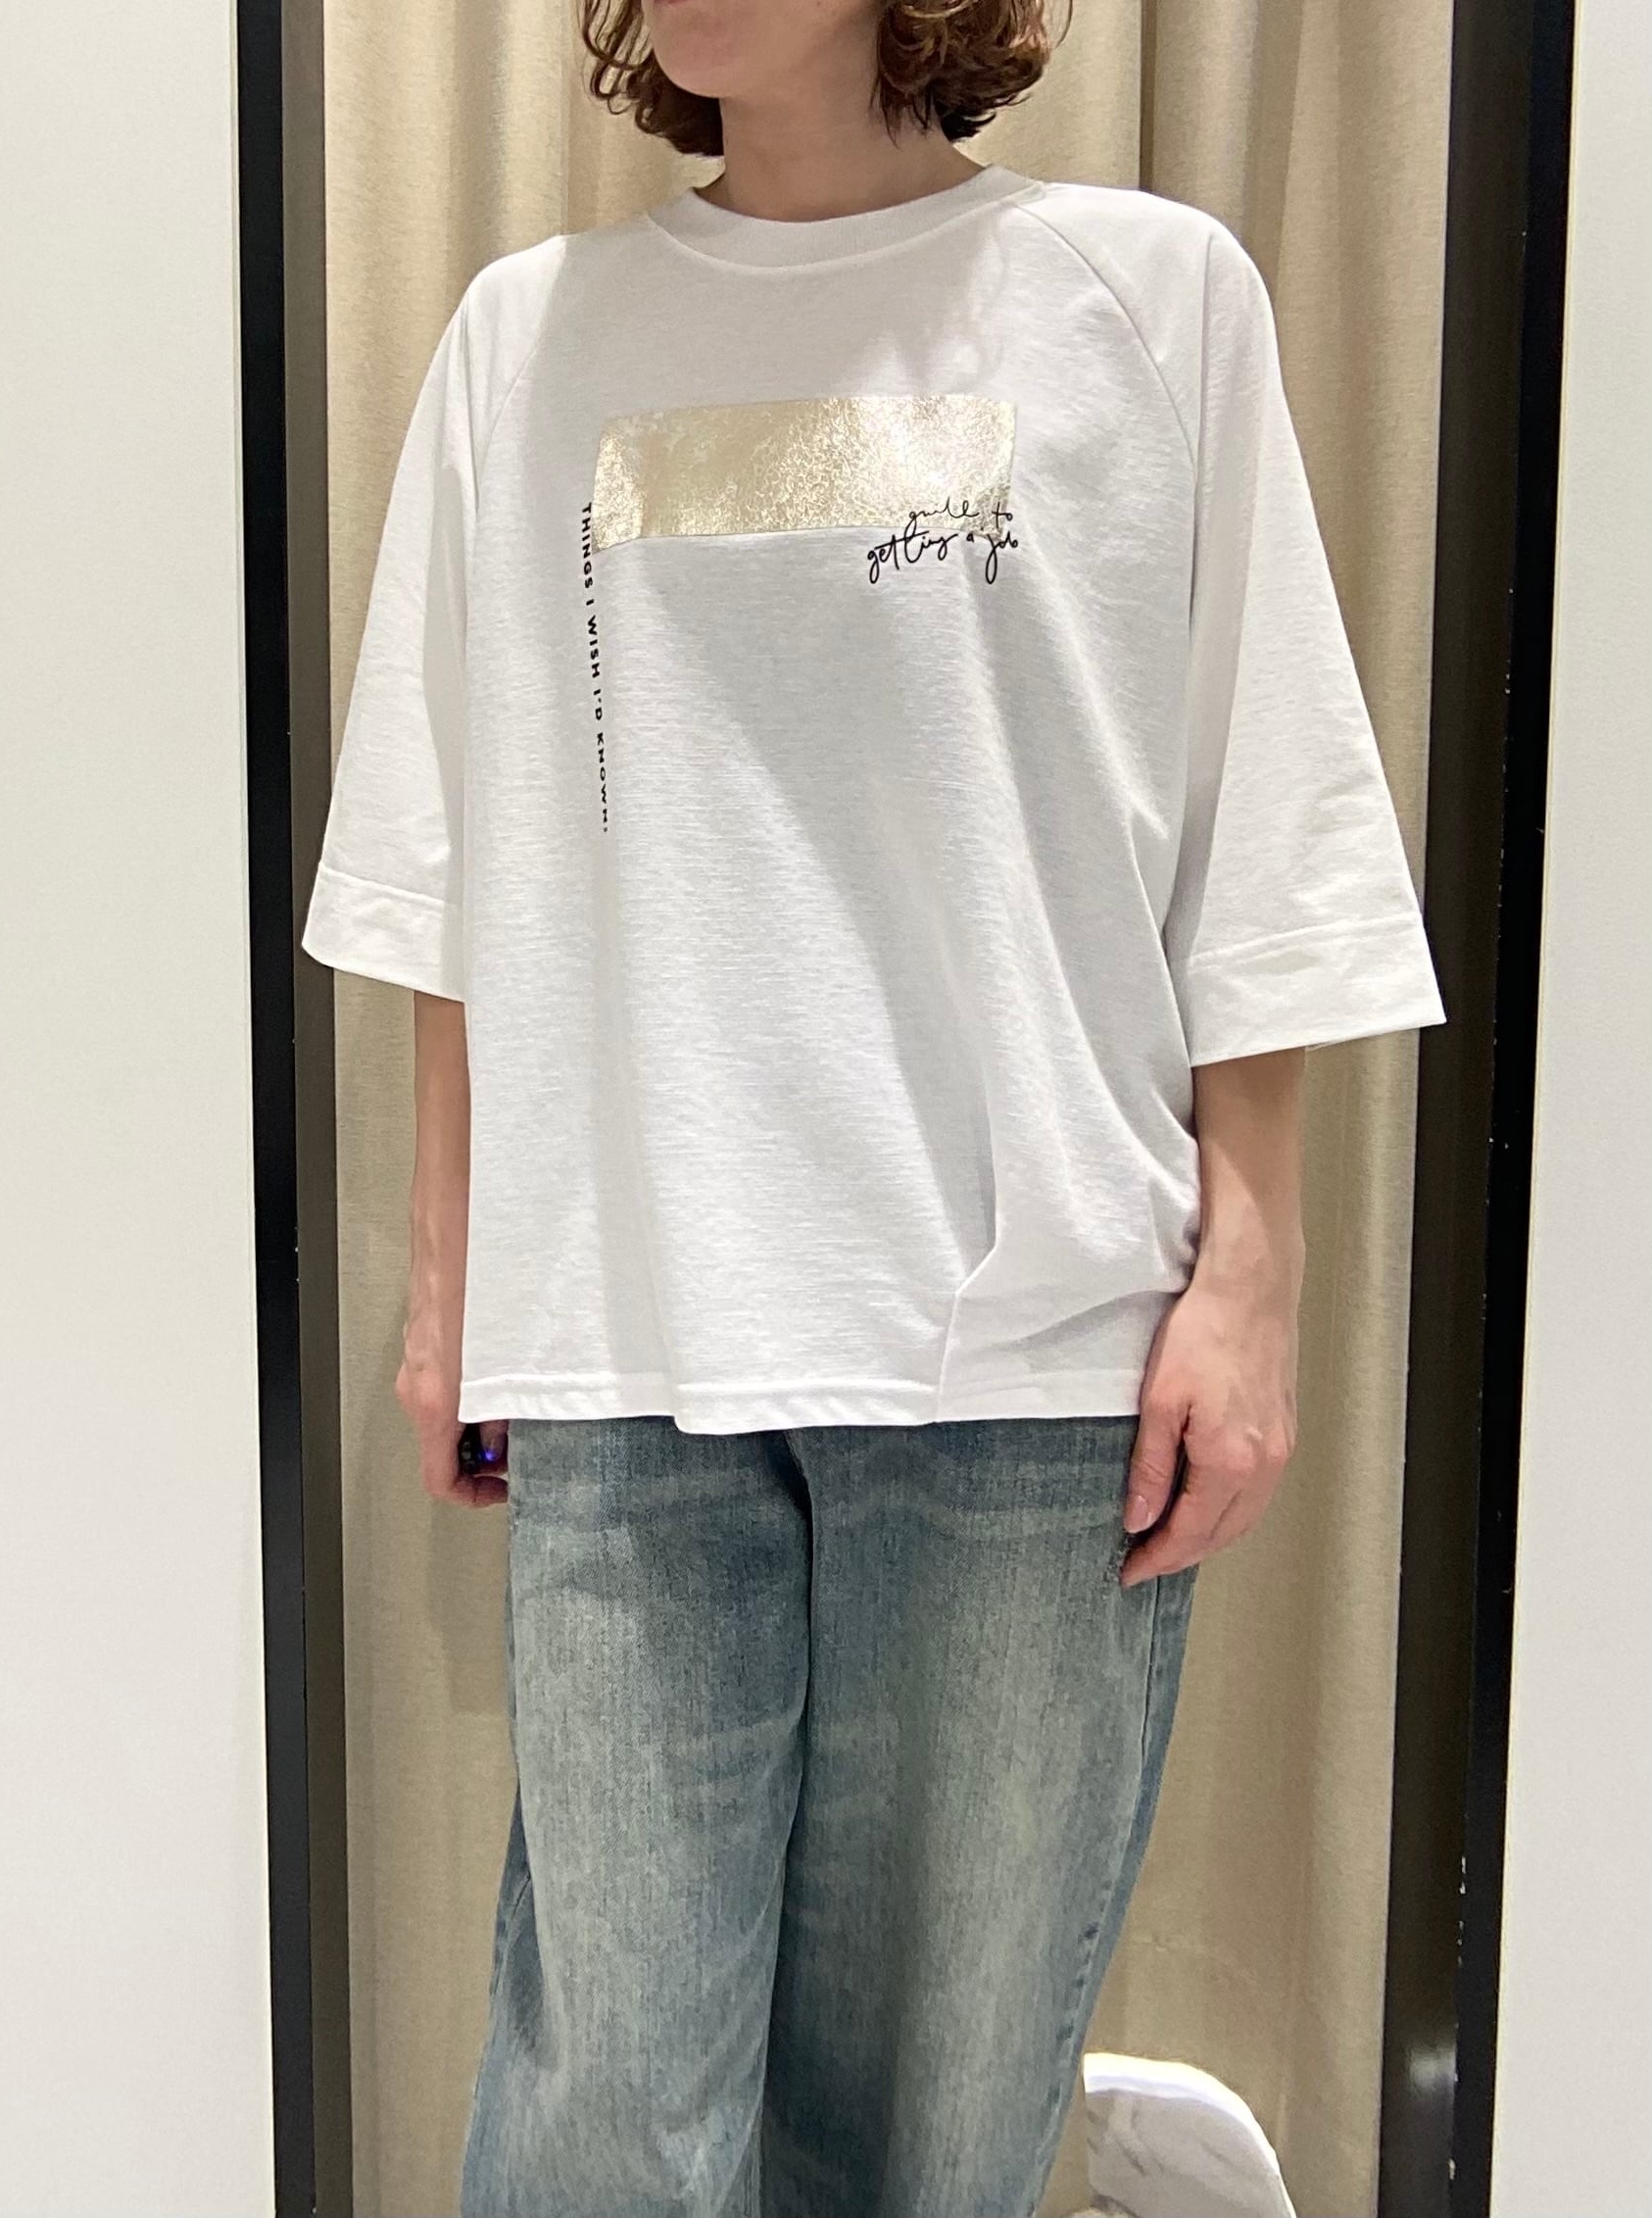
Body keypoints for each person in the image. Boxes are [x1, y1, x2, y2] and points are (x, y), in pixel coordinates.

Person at [301, 2, 1447, 2211]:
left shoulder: (1146, 297)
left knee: (932, 2106)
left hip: (1029, 1345)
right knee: (609, 2108)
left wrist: (1253, 1271)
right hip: (632, 1334)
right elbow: (451, 858)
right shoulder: (529, 339)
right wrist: (454, 1285)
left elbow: (1264, 820)